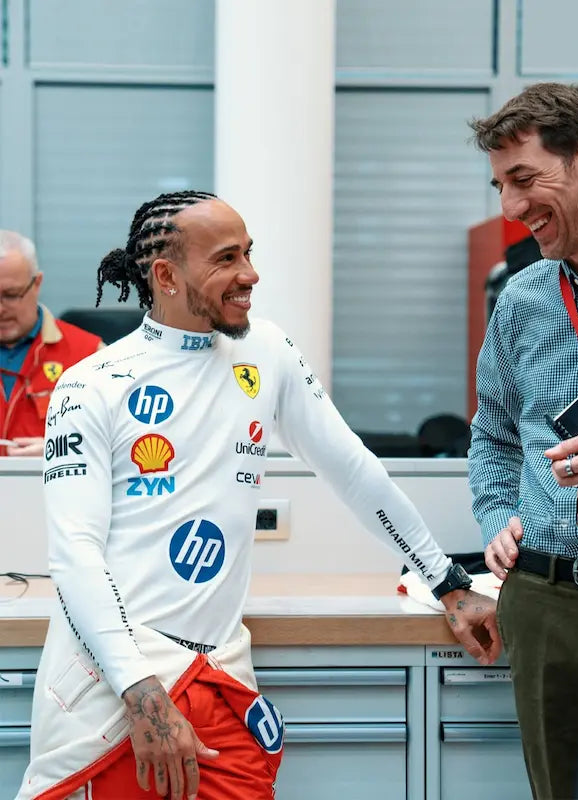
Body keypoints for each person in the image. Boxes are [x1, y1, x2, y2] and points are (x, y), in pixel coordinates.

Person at [18, 190, 500, 800]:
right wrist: (141, 694)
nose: (250, 274)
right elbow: (75, 553)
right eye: (226, 259)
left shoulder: (265, 351)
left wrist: (447, 581)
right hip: (114, 686)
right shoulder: (92, 384)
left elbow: (352, 468)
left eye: (248, 253)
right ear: (165, 274)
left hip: (219, 670)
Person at [468, 81, 578, 800]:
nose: (510, 208)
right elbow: (493, 434)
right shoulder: (523, 299)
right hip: (547, 599)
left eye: (524, 179)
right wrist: (494, 513)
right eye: (500, 185)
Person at [0, 230, 103, 456]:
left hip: (52, 487)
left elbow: (123, 441)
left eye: (11, 295)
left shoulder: (89, 355)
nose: (0, 309)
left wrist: (61, 450)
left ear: (37, 283)